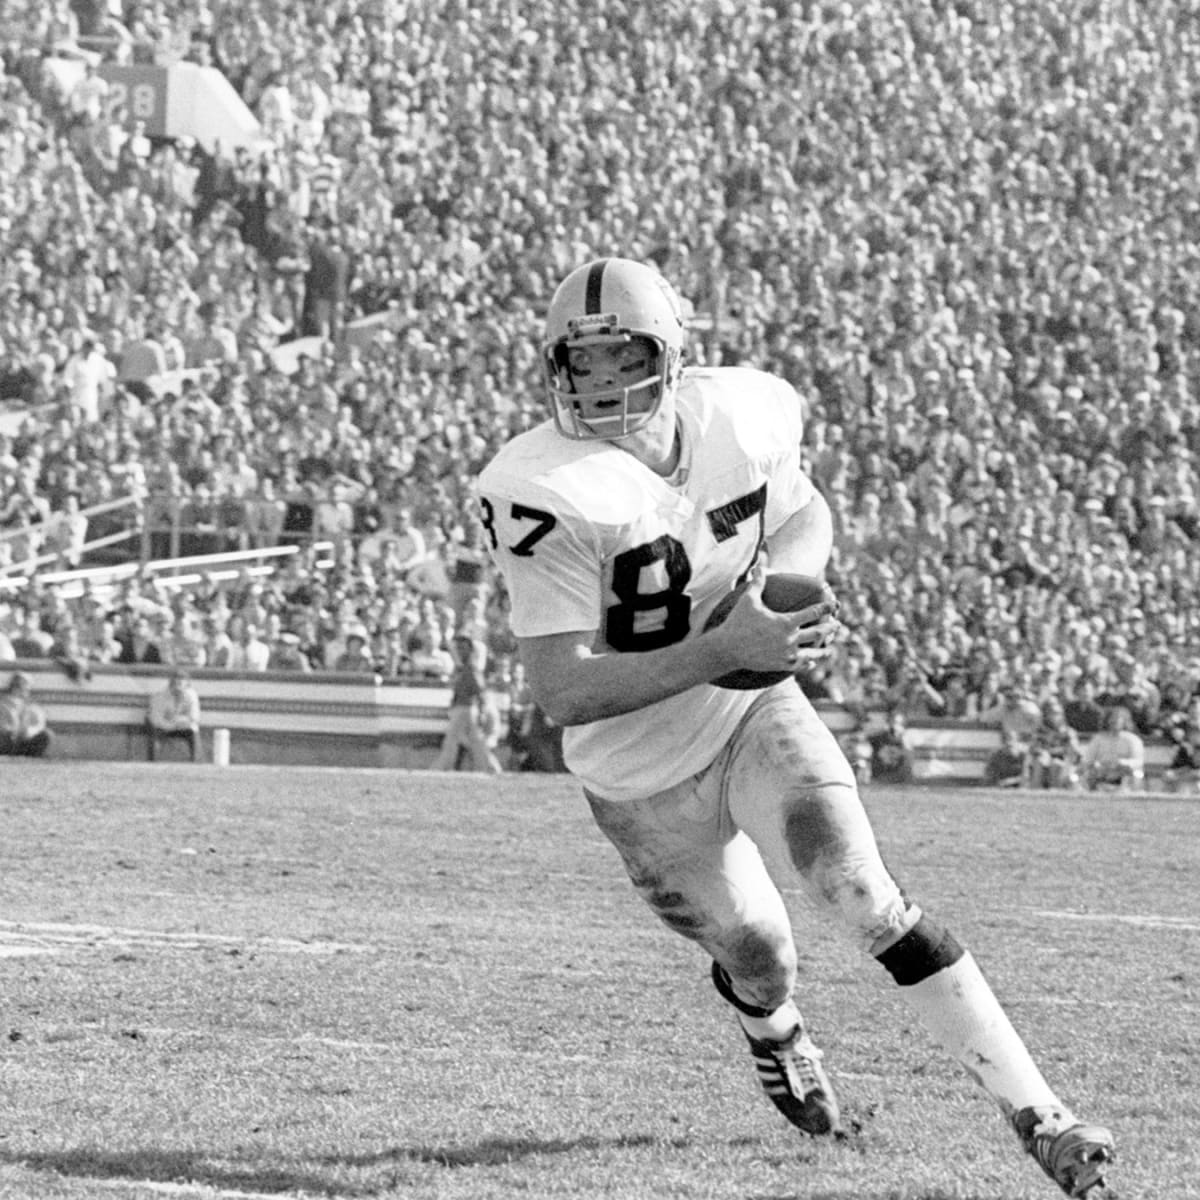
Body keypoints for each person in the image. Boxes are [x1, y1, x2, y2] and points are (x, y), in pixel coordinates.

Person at [475, 258, 1113, 1199]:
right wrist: (722, 642)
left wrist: (789, 596)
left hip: (751, 707)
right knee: (761, 956)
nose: (605, 381)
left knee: (864, 893)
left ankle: (1045, 1121)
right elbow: (564, 691)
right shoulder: (540, 486)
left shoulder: (746, 414)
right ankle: (772, 1029)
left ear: (674, 356)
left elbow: (804, 509)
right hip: (637, 768)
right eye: (586, 361)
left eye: (625, 357)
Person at [431, 632, 504, 773]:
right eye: (459, 648)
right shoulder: (465, 669)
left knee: (451, 741)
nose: (459, 651)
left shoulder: (471, 669)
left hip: (466, 709)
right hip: (465, 709)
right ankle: (491, 767)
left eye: (462, 648)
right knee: (476, 742)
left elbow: (480, 692)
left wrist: (482, 712)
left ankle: (442, 767)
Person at [1079, 705, 1145, 792]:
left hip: (1124, 775)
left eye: (1118, 718)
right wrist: (1096, 765)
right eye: (1112, 718)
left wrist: (1122, 763)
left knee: (1136, 774)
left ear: (1125, 721)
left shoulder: (1133, 740)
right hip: (1101, 773)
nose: (1115, 721)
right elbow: (1087, 760)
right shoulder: (1098, 739)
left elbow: (1138, 761)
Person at [146, 668, 201, 763]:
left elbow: (194, 718)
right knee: (154, 733)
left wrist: (177, 721)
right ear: (170, 683)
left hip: (180, 725)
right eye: (175, 683)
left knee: (193, 733)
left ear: (187, 685)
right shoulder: (160, 696)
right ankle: (152, 763)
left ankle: (196, 762)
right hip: (161, 726)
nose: (178, 687)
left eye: (181, 683)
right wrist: (173, 725)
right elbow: (156, 719)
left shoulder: (192, 696)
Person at [0, 671, 52, 757]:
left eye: (25, 685)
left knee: (46, 735)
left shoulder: (33, 706)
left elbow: (39, 725)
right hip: (7, 740)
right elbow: (4, 727)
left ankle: (29, 755)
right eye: (17, 685)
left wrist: (30, 731)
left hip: (25, 740)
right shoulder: (3, 703)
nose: (21, 688)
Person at [867, 707, 917, 784]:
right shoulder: (879, 737)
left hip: (901, 779)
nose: (895, 726)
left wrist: (903, 740)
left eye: (898, 723)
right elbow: (863, 740)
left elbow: (910, 760)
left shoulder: (906, 739)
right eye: (893, 722)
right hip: (881, 778)